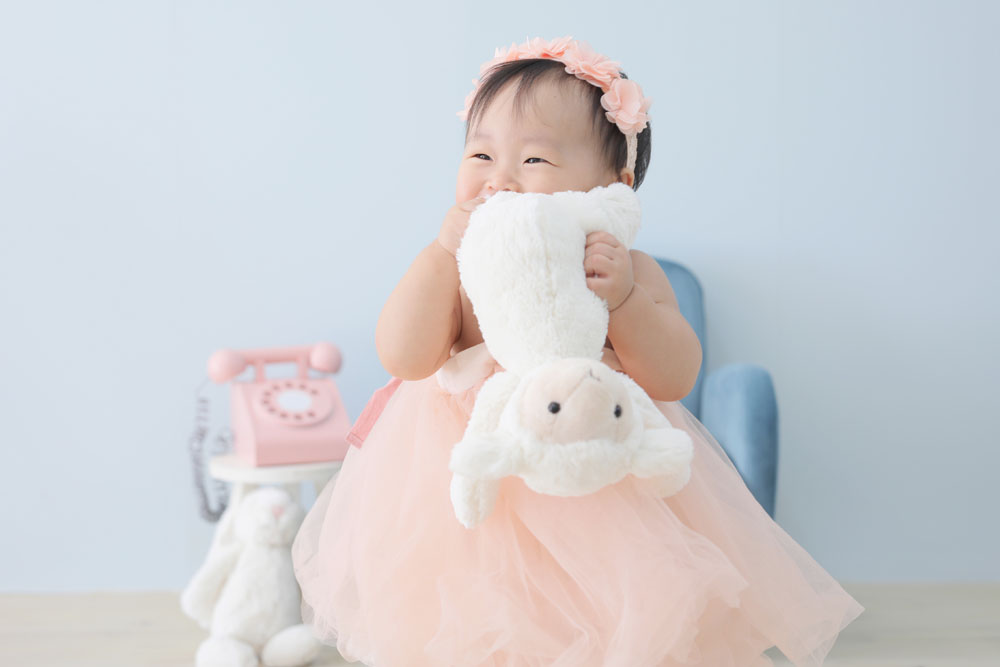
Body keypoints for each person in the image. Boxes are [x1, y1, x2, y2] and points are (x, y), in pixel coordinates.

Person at [291, 36, 864, 667]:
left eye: (534, 158)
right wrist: (439, 254)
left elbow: (674, 377)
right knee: (480, 625)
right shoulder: (458, 269)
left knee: (623, 622)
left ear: (614, 185)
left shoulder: (630, 271)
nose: (499, 178)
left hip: (605, 489)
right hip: (470, 484)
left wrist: (624, 301)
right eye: (480, 154)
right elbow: (404, 358)